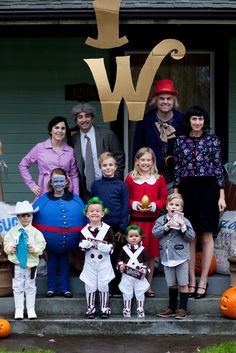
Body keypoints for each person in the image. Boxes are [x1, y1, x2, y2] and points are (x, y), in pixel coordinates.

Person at [173, 106, 226, 299]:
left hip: (208, 189)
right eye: (194, 119)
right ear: (189, 121)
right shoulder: (180, 141)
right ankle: (191, 281)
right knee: (190, 236)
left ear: (204, 121)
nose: (197, 122)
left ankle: (203, 280)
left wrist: (221, 196)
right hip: (187, 189)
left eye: (201, 119)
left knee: (206, 235)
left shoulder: (213, 141)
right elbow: (177, 168)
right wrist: (176, 197)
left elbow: (218, 167)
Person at [32, 168, 87, 298]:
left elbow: (85, 215)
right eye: (55, 181)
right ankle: (51, 288)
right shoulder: (43, 200)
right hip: (50, 246)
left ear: (67, 182)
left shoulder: (76, 199)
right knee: (51, 265)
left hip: (69, 246)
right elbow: (32, 216)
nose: (58, 184)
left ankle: (64, 288)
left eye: (61, 181)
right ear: (51, 182)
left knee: (65, 265)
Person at [125, 147, 168, 296]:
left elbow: (164, 198)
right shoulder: (130, 178)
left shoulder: (159, 179)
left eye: (148, 160)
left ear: (153, 161)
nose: (145, 163)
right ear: (137, 161)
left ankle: (147, 286)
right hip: (136, 223)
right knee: (135, 255)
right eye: (142, 159)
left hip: (153, 223)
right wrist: (135, 204)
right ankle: (135, 284)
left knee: (150, 256)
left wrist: (154, 205)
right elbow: (126, 198)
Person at [133, 79, 184, 190]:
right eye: (161, 98)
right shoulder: (145, 122)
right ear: (156, 100)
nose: (165, 102)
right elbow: (137, 151)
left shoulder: (183, 122)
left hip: (175, 179)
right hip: (150, 177)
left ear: (174, 101)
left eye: (168, 98)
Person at [70, 102, 125, 202]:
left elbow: (119, 157)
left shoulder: (107, 134)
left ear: (92, 118)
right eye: (80, 117)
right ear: (76, 120)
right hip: (86, 191)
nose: (84, 120)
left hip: (108, 186)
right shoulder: (74, 139)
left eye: (87, 116)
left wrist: (114, 180)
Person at [91, 152, 129, 296]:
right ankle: (102, 287)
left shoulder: (121, 185)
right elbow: (93, 205)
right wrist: (94, 226)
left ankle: (117, 287)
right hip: (101, 228)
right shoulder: (96, 185)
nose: (108, 168)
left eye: (110, 165)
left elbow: (125, 207)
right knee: (102, 258)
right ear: (100, 167)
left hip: (117, 228)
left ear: (115, 167)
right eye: (105, 165)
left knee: (116, 257)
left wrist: (123, 227)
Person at [152, 193, 195, 319]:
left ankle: (182, 309)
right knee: (171, 283)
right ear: (166, 206)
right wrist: (167, 226)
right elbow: (155, 233)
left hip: (180, 257)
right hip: (166, 257)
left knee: (183, 283)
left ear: (181, 209)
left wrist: (182, 226)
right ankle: (172, 307)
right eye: (171, 204)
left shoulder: (185, 221)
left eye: (177, 205)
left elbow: (191, 237)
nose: (174, 207)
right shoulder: (161, 220)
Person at [4, 200, 46, 320]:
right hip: (17, 264)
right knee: (17, 286)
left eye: (28, 215)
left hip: (31, 264)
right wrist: (10, 248)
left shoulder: (36, 233)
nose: (26, 218)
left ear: (32, 216)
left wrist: (36, 249)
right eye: (23, 216)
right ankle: (19, 309)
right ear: (18, 217)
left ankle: (31, 308)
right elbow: (6, 245)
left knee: (30, 285)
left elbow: (42, 245)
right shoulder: (12, 232)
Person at [19, 116, 79, 198]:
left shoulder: (70, 150)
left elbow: (74, 175)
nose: (60, 131)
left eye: (63, 128)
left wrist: (76, 196)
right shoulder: (40, 148)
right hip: (45, 191)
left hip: (66, 191)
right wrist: (32, 185)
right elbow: (23, 165)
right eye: (56, 127)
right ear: (51, 130)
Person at [79, 196, 116, 319]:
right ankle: (91, 308)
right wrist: (83, 246)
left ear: (103, 213)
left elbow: (113, 242)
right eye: (91, 211)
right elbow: (80, 245)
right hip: (90, 262)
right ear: (87, 214)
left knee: (103, 284)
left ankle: (105, 308)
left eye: (97, 211)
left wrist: (109, 247)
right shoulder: (84, 231)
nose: (94, 213)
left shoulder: (107, 229)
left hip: (104, 262)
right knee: (90, 285)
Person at [117, 225, 150, 318]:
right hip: (127, 274)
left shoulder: (143, 249)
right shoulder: (124, 249)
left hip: (139, 274)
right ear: (126, 238)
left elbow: (146, 260)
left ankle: (140, 309)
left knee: (140, 292)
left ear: (140, 237)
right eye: (131, 236)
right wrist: (120, 265)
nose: (134, 238)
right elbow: (119, 259)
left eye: (136, 236)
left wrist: (144, 268)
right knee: (127, 292)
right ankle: (126, 309)